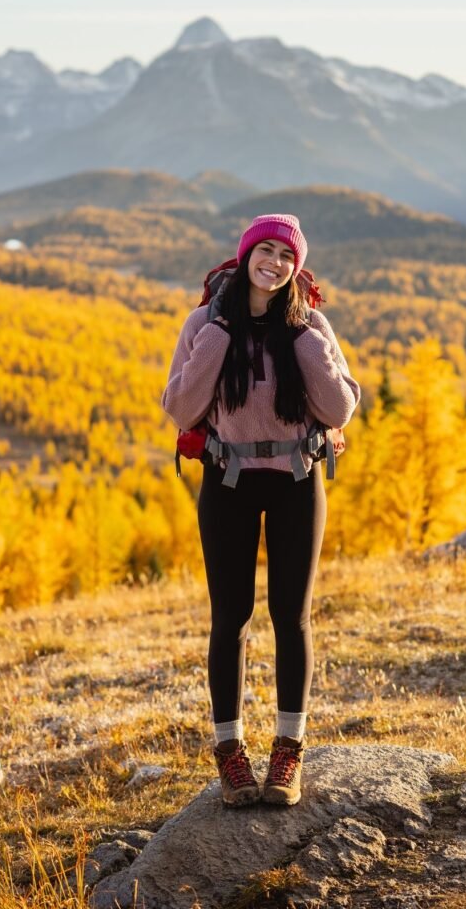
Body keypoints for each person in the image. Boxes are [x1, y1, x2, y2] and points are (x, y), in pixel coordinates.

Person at [161, 213, 361, 807]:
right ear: (246, 252)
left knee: (291, 618)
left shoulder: (311, 324)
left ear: (296, 266)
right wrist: (220, 335)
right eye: (265, 250)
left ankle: (288, 752)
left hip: (298, 480)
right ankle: (231, 755)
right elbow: (180, 404)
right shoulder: (205, 321)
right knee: (231, 618)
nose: (274, 263)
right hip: (227, 481)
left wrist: (302, 336)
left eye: (286, 256)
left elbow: (339, 407)